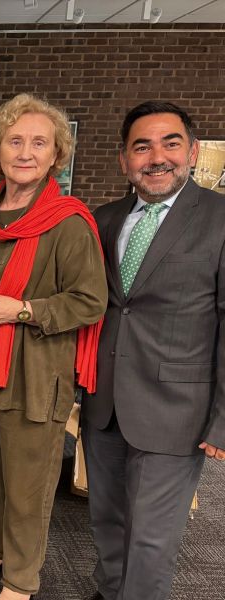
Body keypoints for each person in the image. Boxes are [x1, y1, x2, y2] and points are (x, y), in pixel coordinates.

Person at [0, 93, 107, 600]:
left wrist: (24, 310)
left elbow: (90, 301)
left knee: (28, 480)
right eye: (15, 141)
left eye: (39, 143)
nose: (25, 152)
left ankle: (21, 581)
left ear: (57, 154)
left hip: (33, 364)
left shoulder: (68, 222)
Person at [82, 101, 225, 600]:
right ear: (124, 159)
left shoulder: (220, 218)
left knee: (151, 537)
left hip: (177, 410)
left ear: (193, 151)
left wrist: (223, 419)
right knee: (107, 518)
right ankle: (111, 590)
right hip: (103, 402)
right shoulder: (103, 219)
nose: (157, 157)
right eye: (141, 147)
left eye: (171, 143)